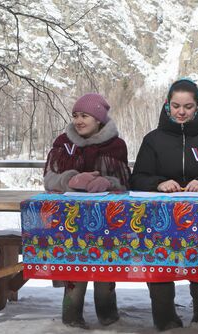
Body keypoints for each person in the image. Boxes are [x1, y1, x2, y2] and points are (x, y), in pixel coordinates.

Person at [130, 78, 198, 331]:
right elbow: (137, 178)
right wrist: (159, 183)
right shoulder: (153, 139)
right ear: (168, 105)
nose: (181, 112)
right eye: (176, 105)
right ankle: (166, 322)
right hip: (160, 222)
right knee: (160, 267)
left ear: (197, 106)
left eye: (188, 106)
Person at [43, 93, 130, 328]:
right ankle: (71, 315)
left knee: (106, 265)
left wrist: (109, 183)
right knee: (74, 264)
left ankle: (107, 312)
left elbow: (125, 182)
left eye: (85, 116)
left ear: (99, 119)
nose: (79, 121)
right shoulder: (64, 143)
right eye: (75, 115)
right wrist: (70, 180)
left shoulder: (116, 145)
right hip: (70, 220)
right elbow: (49, 179)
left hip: (106, 220)